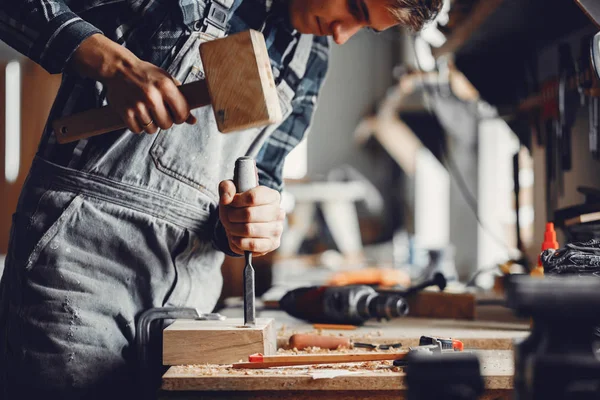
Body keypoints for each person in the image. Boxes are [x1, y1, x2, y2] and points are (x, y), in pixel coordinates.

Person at [0, 0, 442, 398]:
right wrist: (110, 62)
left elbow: (261, 175)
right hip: (79, 272)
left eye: (364, 29)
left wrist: (251, 222)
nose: (343, 34)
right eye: (357, 9)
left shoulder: (310, 60)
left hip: (186, 307)